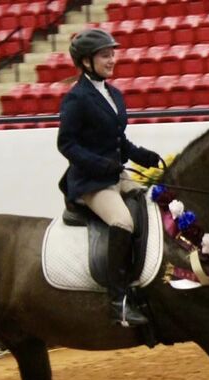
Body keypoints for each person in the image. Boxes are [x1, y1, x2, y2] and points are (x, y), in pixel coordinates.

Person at [57, 28, 161, 327]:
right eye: (105, 55)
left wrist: (142, 155)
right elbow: (67, 145)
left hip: (116, 174)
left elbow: (118, 140)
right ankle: (118, 301)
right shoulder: (76, 98)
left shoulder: (113, 94)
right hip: (91, 182)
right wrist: (100, 166)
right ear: (87, 62)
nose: (112, 59)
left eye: (112, 54)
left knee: (152, 205)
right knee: (123, 222)